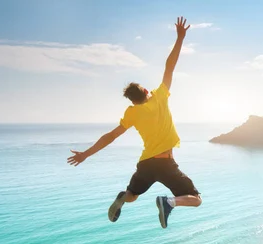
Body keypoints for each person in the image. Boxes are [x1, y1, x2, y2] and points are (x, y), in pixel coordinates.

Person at [67, 17, 201, 228]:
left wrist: (85, 154)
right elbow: (169, 67)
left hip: (146, 164)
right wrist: (180, 38)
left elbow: (109, 137)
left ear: (131, 100)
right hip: (165, 163)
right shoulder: (159, 97)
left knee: (132, 194)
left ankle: (122, 198)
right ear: (147, 91)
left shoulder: (132, 113)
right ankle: (169, 202)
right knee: (195, 199)